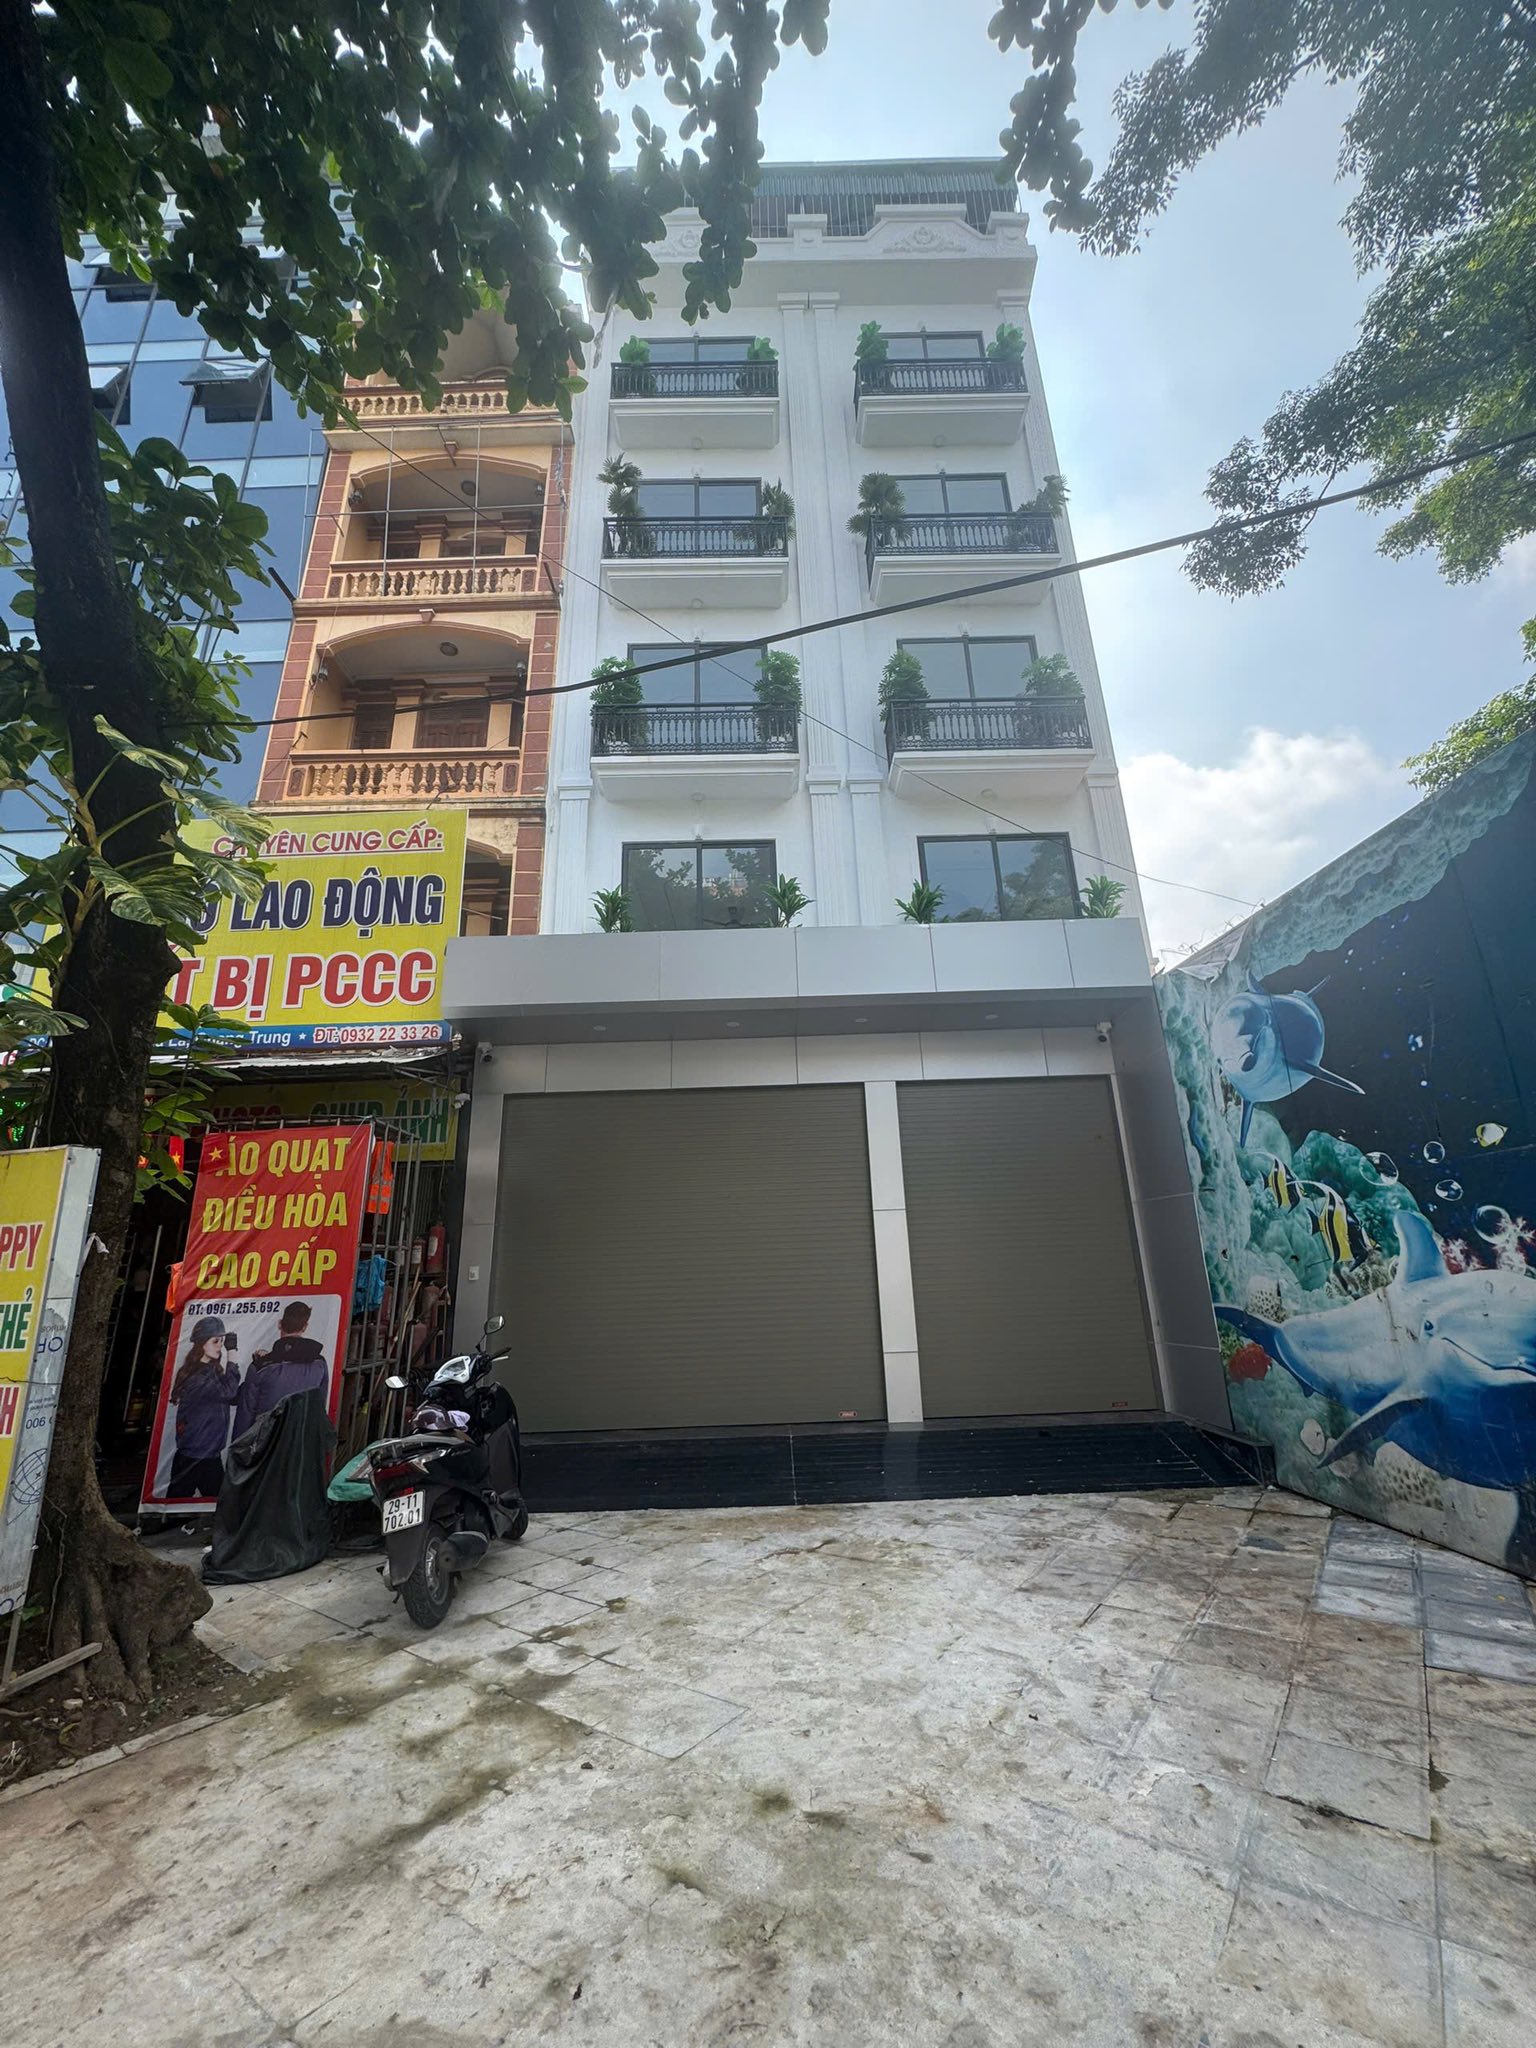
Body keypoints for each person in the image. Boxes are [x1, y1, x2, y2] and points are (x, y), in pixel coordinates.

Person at [234, 1301, 331, 1440]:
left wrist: (237, 1449)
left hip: (267, 1444)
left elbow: (245, 1415)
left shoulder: (261, 1367)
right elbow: (319, 1407)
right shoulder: (320, 1363)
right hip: (301, 1442)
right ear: (305, 1327)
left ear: (280, 1324)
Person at [166, 1317, 239, 1497]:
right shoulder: (197, 1377)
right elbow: (229, 1392)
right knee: (179, 1504)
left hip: (206, 1453)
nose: (220, 1346)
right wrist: (232, 1353)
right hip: (196, 1455)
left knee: (214, 1503)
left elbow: (231, 1396)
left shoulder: (211, 1370)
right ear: (201, 1344)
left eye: (221, 1341)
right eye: (215, 1341)